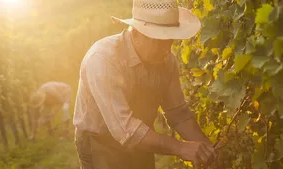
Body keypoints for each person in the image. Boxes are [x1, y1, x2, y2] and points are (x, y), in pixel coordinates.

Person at [73, 0, 220, 168]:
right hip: (99, 142)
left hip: (142, 137)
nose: (166, 49)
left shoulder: (167, 61)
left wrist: (208, 150)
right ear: (135, 34)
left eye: (170, 40)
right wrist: (180, 147)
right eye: (158, 40)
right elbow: (125, 130)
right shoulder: (103, 59)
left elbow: (178, 113)